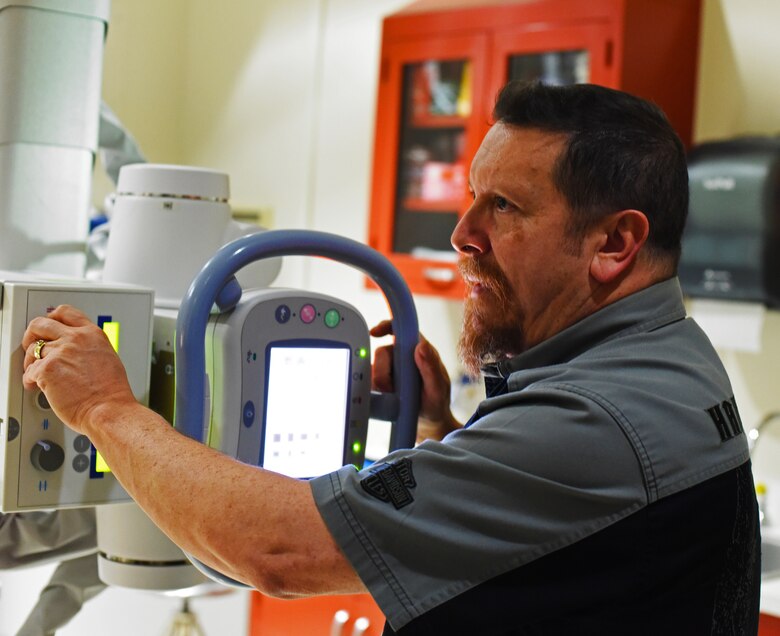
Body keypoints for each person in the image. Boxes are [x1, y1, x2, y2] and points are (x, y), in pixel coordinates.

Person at [22, 81, 760, 635]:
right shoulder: (669, 360)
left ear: (614, 244)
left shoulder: (598, 421)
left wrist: (104, 409)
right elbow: (534, 545)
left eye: (504, 206)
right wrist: (442, 427)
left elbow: (278, 550)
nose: (462, 233)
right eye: (472, 197)